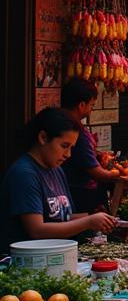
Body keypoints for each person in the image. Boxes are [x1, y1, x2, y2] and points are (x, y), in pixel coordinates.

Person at [1, 108, 117, 254]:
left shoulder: (56, 170)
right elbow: (37, 230)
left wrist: (97, 219)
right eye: (64, 146)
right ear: (43, 137)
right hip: (29, 263)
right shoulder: (24, 174)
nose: (68, 154)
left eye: (71, 148)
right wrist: (88, 222)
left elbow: (61, 216)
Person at [60, 78, 118, 213]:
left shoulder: (65, 123)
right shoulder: (75, 131)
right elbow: (95, 172)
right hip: (80, 193)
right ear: (81, 105)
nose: (67, 154)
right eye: (92, 105)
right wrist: (117, 175)